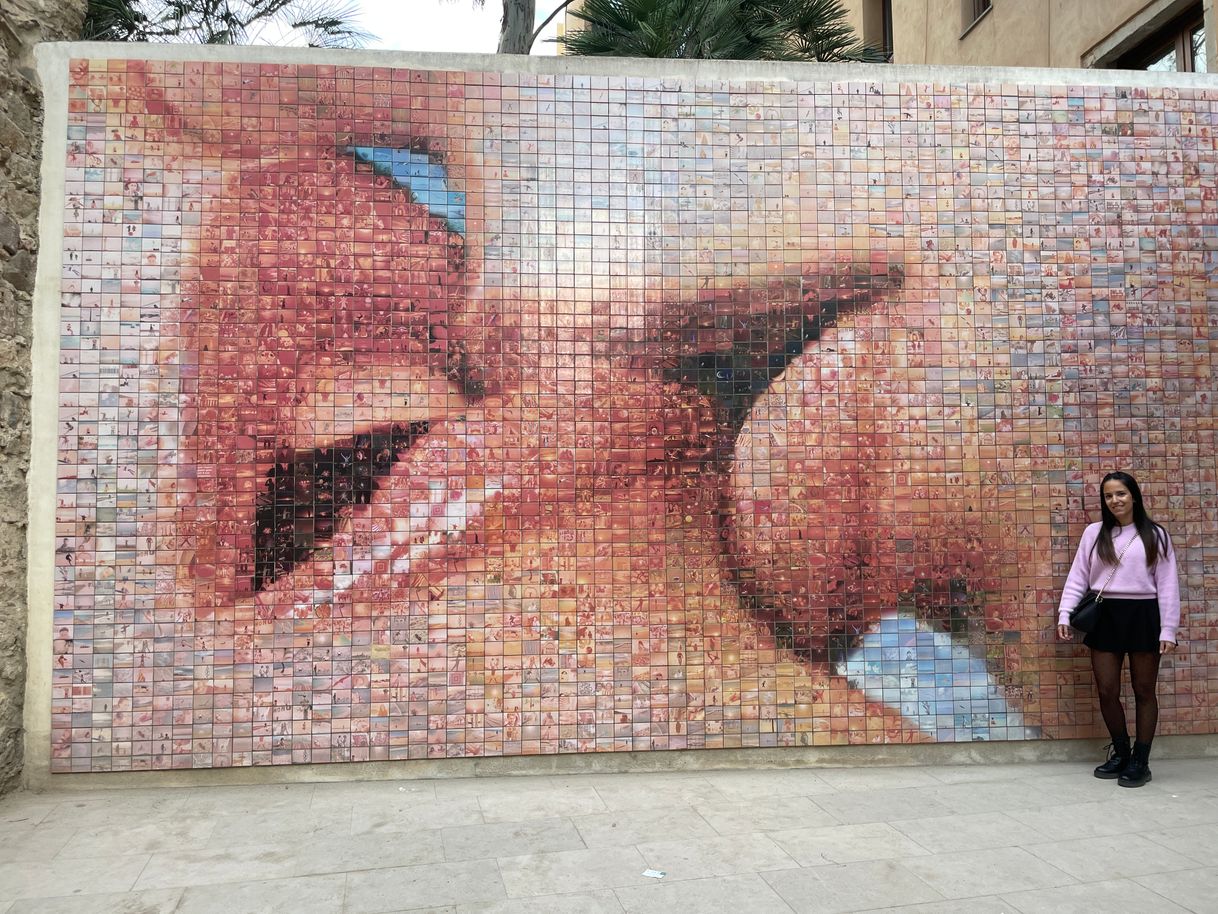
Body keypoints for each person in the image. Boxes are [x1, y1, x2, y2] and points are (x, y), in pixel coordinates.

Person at [1056, 471, 1180, 787]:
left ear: (1134, 496)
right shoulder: (1094, 533)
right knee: (1107, 690)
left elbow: (1167, 586)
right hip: (1105, 614)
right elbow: (1078, 576)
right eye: (1109, 495)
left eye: (1121, 494)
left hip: (1143, 615)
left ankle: (1141, 760)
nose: (1115, 500)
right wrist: (1064, 614)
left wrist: (1168, 629)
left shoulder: (1155, 535)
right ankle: (1121, 751)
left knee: (1143, 690)